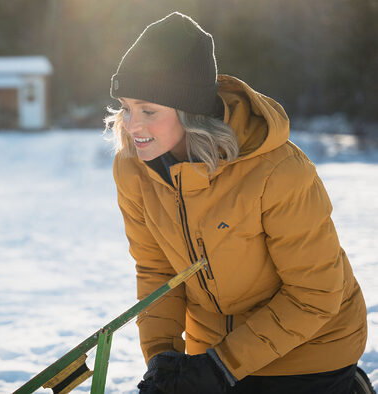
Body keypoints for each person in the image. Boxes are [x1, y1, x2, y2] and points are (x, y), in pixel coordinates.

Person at [106, 12, 368, 394]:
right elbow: (157, 271)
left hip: (311, 349)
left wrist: (221, 367)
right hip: (211, 349)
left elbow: (314, 295)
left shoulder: (276, 170)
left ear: (188, 111)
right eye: (126, 107)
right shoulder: (133, 169)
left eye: (149, 111)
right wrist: (162, 357)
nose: (131, 125)